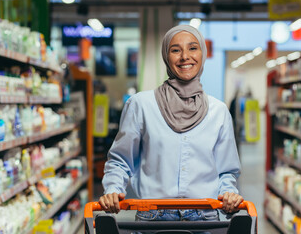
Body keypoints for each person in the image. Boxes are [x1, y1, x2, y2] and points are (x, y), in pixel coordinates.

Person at [99, 25, 243, 223]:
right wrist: (113, 190)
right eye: (176, 50)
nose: (185, 56)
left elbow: (227, 171)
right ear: (166, 57)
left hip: (205, 217)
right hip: (153, 218)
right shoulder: (141, 105)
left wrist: (228, 193)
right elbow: (120, 160)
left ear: (203, 53)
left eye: (193, 48)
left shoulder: (218, 112)